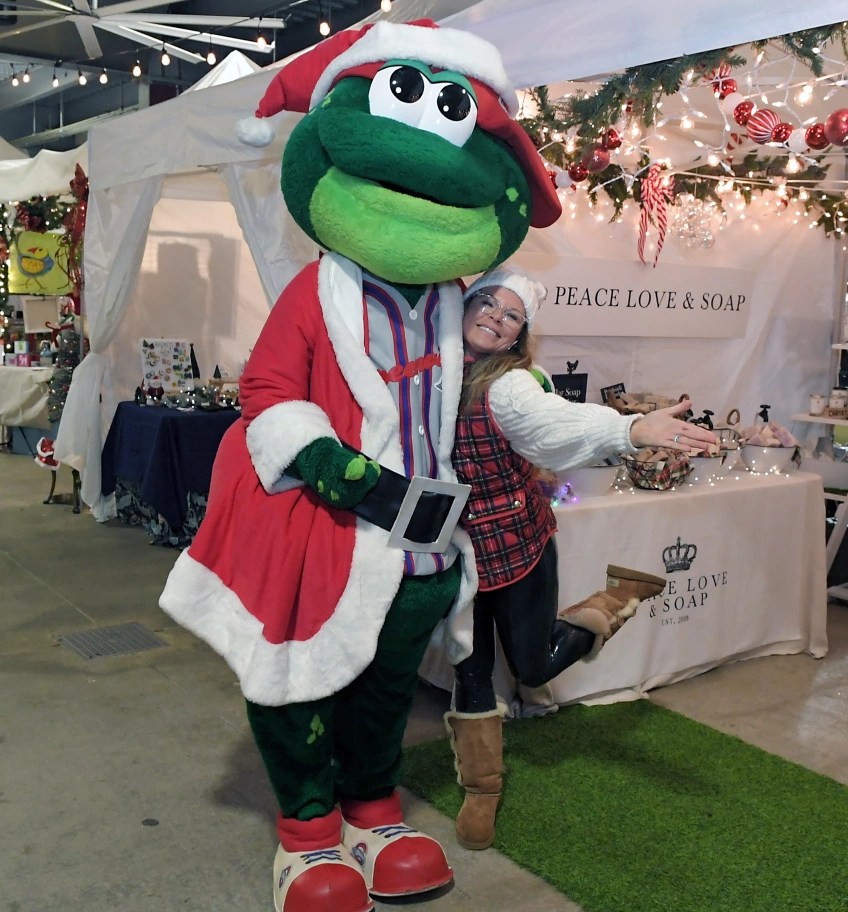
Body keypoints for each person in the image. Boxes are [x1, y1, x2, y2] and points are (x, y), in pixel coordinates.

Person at [158, 21, 562, 912]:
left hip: (425, 543)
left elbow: (504, 391)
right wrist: (350, 478)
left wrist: (609, 431)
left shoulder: (460, 303)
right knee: (301, 679)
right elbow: (267, 393)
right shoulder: (319, 290)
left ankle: (373, 807)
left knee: (384, 688)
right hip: (327, 530)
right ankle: (307, 829)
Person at [444, 265, 717, 851]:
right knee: (469, 666)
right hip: (454, 547)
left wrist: (633, 427)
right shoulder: (428, 365)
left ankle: (619, 596)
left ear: (520, 335)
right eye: (489, 303)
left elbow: (554, 422)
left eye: (512, 315)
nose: (496, 316)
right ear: (465, 303)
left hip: (517, 540)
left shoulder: (511, 384)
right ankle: (483, 790)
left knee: (533, 667)